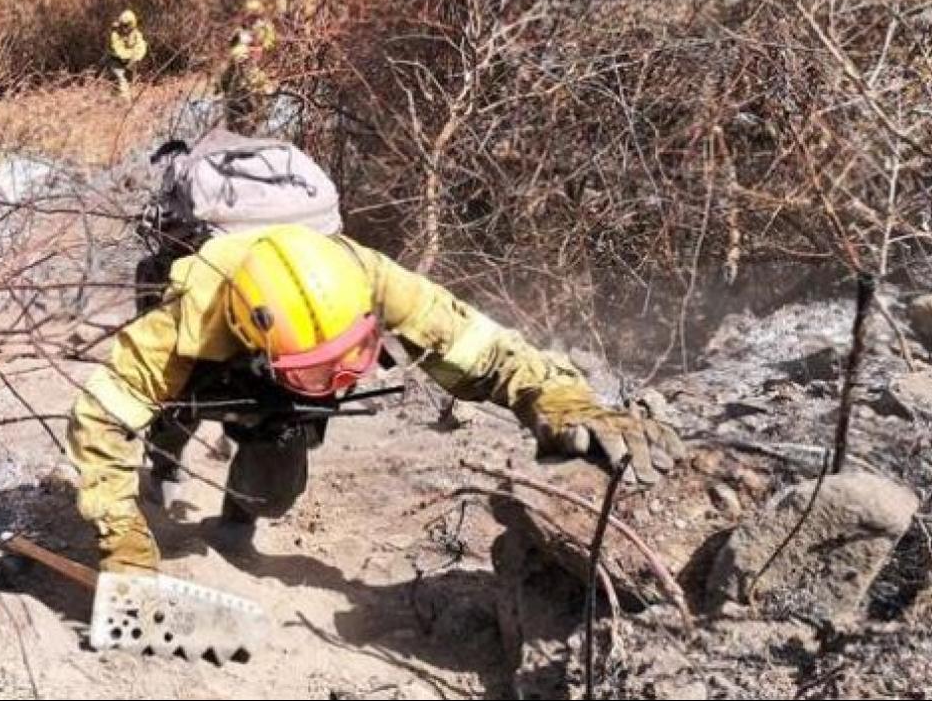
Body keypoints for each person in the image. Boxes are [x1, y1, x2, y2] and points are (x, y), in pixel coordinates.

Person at [66, 223, 683, 573]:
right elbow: (100, 418)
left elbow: (485, 348)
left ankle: (234, 523)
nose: (341, 382)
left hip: (278, 373)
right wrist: (121, 538)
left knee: (277, 489)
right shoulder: (179, 329)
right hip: (211, 370)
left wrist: (560, 401)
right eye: (322, 373)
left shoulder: (369, 278)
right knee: (166, 420)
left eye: (352, 360)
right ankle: (165, 467)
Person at [108, 9, 148, 100]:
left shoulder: (136, 34)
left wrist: (135, 58)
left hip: (130, 63)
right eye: (123, 25)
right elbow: (118, 50)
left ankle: (115, 101)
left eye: (126, 26)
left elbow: (141, 47)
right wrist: (132, 55)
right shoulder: (115, 34)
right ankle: (124, 104)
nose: (124, 28)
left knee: (129, 84)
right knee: (122, 82)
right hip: (116, 63)